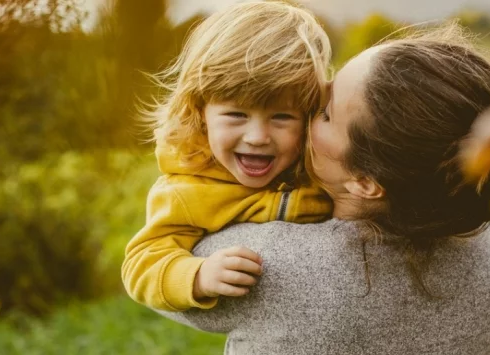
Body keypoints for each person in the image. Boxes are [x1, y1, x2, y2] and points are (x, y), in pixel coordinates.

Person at [155, 24, 490, 354]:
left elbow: (161, 266)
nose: (301, 116)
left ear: (366, 182)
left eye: (323, 113)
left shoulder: (264, 264)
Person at [121, 1, 333, 312]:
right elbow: (141, 263)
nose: (258, 137)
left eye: (282, 117)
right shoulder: (187, 189)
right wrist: (197, 276)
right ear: (200, 112)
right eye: (236, 114)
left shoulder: (320, 163)